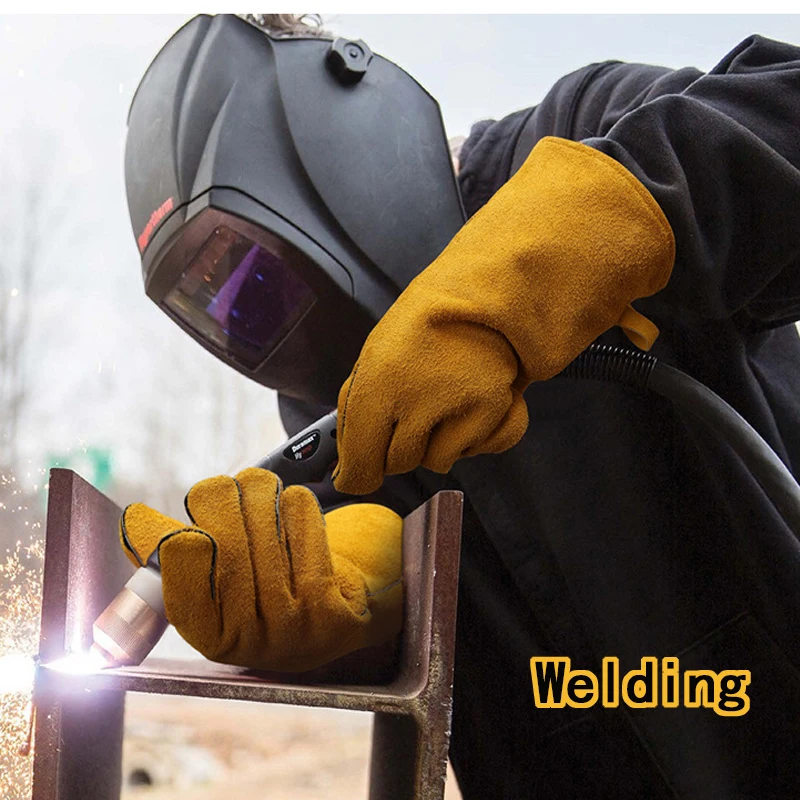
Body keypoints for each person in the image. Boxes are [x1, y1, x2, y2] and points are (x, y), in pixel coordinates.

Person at [121, 14, 800, 798]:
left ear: (328, 150)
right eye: (222, 307)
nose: (254, 318)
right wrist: (354, 616)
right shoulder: (325, 397)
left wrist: (585, 234)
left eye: (251, 274)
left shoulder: (578, 137)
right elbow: (424, 640)